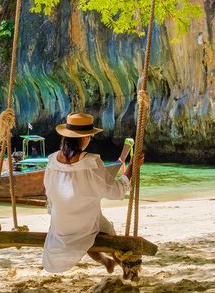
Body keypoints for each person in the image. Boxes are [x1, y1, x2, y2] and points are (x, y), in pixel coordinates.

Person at [42, 112, 144, 274]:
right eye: (89, 136)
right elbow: (115, 192)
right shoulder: (91, 162)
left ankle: (106, 263)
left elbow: (49, 194)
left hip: (60, 227)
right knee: (105, 231)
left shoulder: (52, 160)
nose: (89, 140)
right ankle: (124, 267)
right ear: (84, 138)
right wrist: (133, 167)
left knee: (91, 228)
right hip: (85, 226)